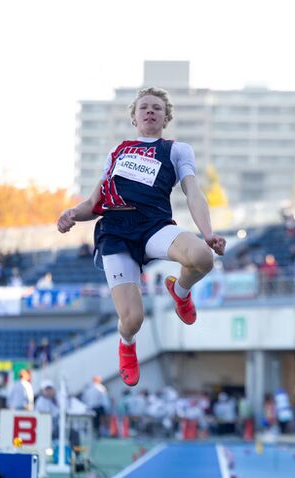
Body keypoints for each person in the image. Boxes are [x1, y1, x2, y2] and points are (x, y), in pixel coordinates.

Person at [57, 87, 226, 387]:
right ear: (134, 117)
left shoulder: (177, 150)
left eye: (157, 108)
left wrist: (208, 233)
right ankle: (127, 343)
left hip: (153, 225)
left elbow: (193, 191)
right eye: (144, 107)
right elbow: (95, 203)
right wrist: (72, 214)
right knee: (133, 318)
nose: (150, 111)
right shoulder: (117, 152)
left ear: (166, 117)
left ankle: (181, 292)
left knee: (203, 256)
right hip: (116, 232)